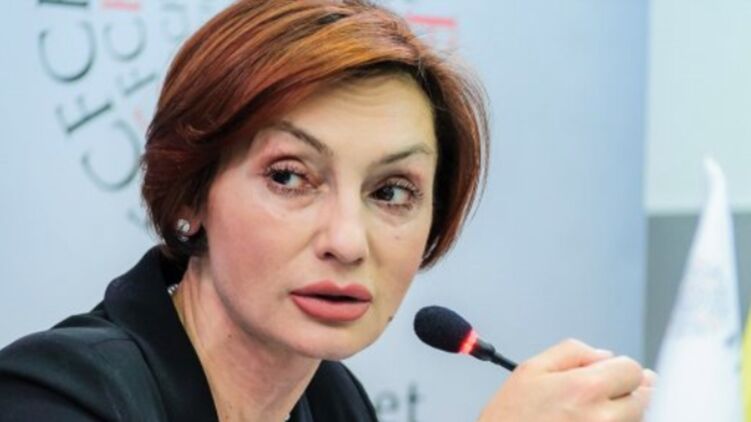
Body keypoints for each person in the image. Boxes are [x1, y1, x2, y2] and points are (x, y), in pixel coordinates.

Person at [0, 0, 654, 421]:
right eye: (289, 177)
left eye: (391, 192)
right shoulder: (53, 394)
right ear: (192, 196)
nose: (347, 241)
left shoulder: (333, 401)